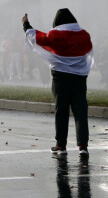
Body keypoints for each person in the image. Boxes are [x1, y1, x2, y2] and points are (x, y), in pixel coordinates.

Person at [22, 9, 94, 156]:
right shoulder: (84, 35)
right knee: (81, 112)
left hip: (60, 79)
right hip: (79, 80)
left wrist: (26, 25)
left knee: (61, 111)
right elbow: (88, 51)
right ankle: (83, 146)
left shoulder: (56, 35)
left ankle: (61, 146)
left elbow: (38, 38)